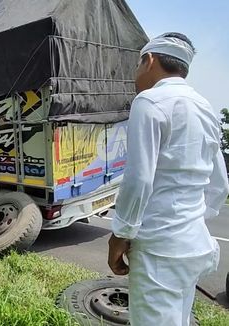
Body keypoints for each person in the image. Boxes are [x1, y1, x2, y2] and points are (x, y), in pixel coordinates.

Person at [108, 32, 229, 326]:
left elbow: (138, 179)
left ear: (149, 61)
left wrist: (119, 235)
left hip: (159, 250)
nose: (136, 76)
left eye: (138, 66)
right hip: (193, 246)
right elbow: (220, 185)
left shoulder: (149, 101)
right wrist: (189, 220)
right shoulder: (205, 107)